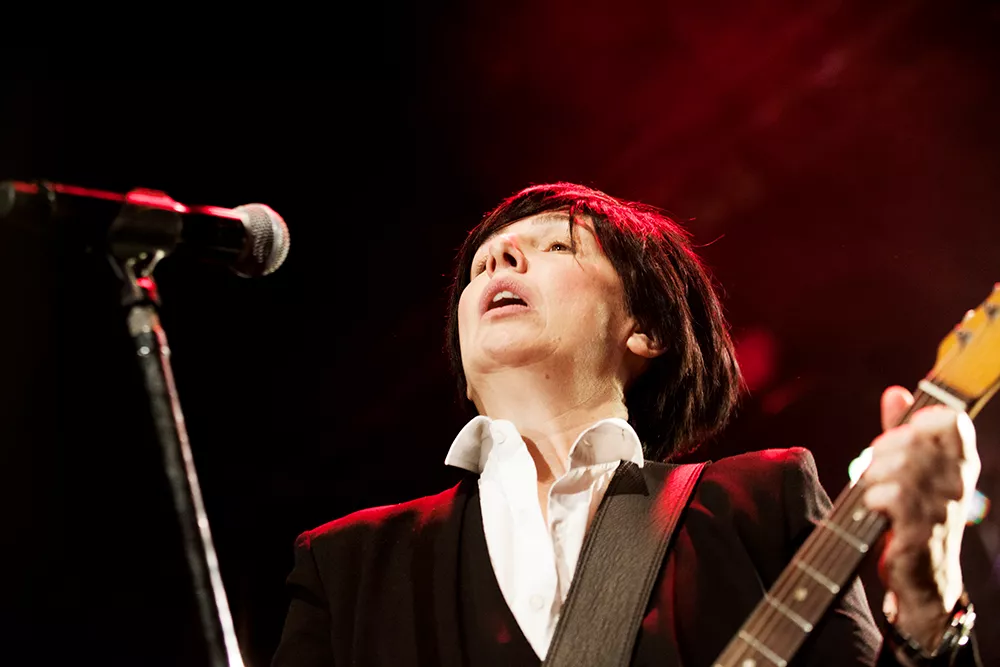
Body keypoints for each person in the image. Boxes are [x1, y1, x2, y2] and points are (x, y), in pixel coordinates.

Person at [271, 183, 982, 666]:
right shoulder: (347, 565)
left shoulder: (760, 502)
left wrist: (930, 603)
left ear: (647, 329)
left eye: (556, 247)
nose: (496, 259)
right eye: (481, 264)